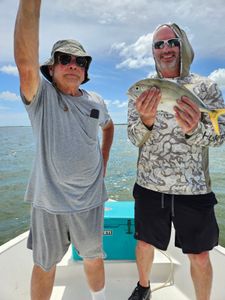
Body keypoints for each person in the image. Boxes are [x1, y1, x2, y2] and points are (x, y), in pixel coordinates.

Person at [14, 1, 114, 300]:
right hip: (49, 203)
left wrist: (104, 161)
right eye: (64, 59)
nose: (73, 65)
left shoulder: (96, 101)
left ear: (85, 71)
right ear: (52, 67)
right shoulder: (41, 97)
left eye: (80, 61)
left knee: (94, 258)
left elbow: (108, 128)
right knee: (45, 265)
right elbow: (25, 62)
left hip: (90, 200)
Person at [127, 23, 225, 300]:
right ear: (153, 52)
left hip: (193, 188)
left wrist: (196, 128)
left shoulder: (205, 87)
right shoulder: (142, 90)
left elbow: (220, 137)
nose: (166, 49)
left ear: (182, 45)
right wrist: (146, 121)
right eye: (159, 44)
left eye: (172, 42)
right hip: (149, 183)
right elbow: (134, 138)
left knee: (201, 255)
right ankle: (143, 286)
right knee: (144, 243)